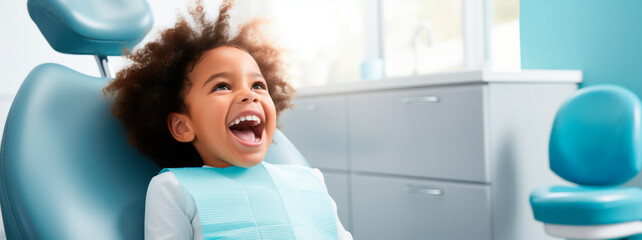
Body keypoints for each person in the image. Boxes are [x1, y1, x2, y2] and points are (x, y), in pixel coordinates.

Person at [103, 0, 352, 239]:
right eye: (222, 86)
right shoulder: (174, 188)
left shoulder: (310, 181)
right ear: (183, 126)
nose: (248, 94)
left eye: (257, 85)